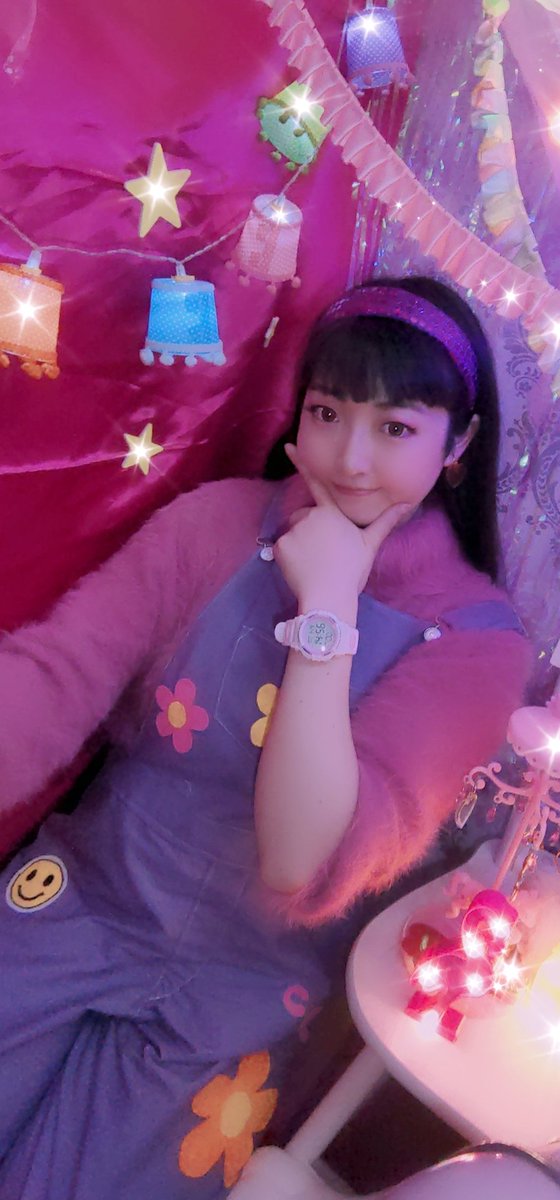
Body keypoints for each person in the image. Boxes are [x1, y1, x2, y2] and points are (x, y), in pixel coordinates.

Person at [0, 275, 530, 1199]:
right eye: (328, 413)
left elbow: (297, 857)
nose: (351, 460)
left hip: (242, 988)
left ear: (459, 444)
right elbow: (56, 675)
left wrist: (328, 605)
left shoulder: (480, 640)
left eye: (395, 428)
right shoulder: (216, 523)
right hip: (82, 896)